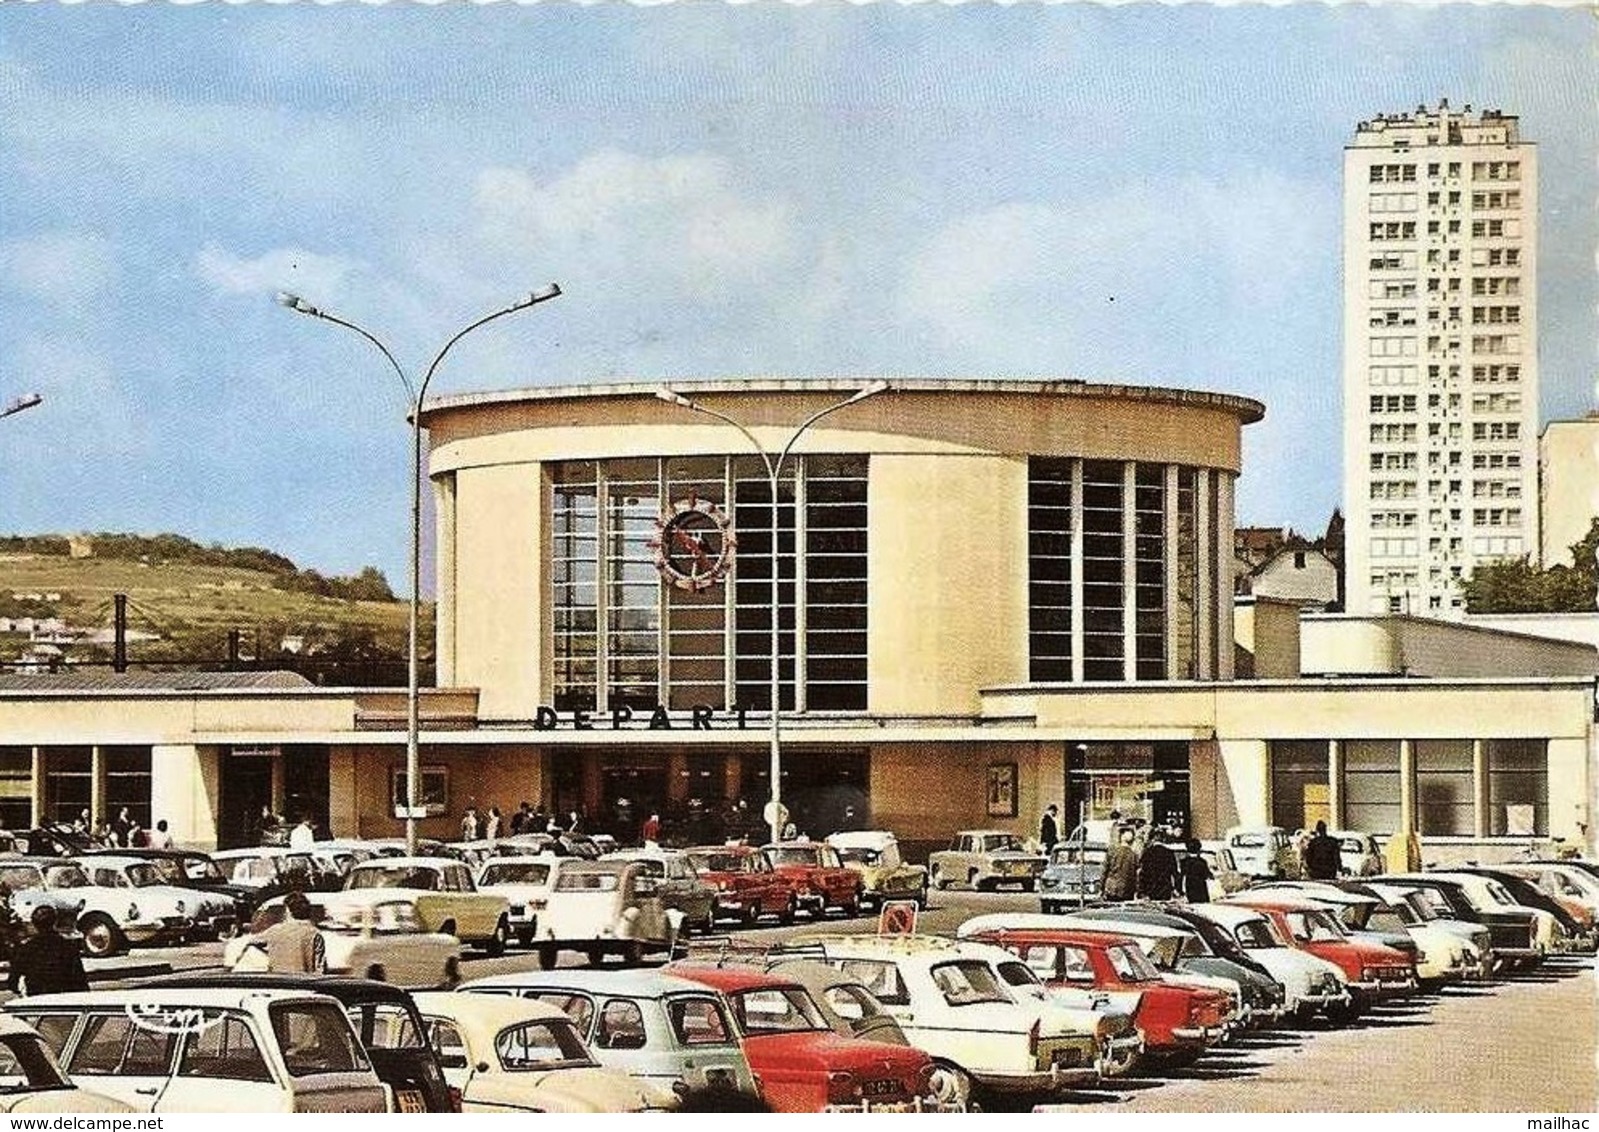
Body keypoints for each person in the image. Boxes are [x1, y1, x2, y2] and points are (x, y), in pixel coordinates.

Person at [7, 905, 89, 995]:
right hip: (64, 999)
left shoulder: (27, 949)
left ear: (35, 924)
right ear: (55, 922)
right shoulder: (68, 946)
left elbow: (13, 982)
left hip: (37, 999)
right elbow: (80, 979)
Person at [257, 891, 325, 974]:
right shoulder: (315, 934)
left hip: (275, 982)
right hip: (304, 983)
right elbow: (319, 969)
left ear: (288, 910)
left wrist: (271, 952)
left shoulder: (274, 930)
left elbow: (252, 942)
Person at [1135, 833, 1179, 901]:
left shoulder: (1148, 853)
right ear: (1163, 840)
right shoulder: (1169, 853)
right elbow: (1175, 872)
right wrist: (1176, 888)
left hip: (1151, 887)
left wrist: (1141, 890)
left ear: (1152, 840)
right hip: (1165, 887)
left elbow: (1143, 872)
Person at [1102, 827, 1140, 902]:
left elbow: (1104, 871)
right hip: (1127, 890)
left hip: (1112, 889)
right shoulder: (1134, 855)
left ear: (1121, 837)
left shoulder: (1113, 852)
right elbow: (1137, 875)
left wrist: (1101, 888)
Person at [1179, 838, 1213, 903]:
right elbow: (1207, 875)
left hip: (1190, 887)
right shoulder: (1202, 862)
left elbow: (1181, 876)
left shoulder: (1184, 862)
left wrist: (1180, 890)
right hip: (1201, 888)